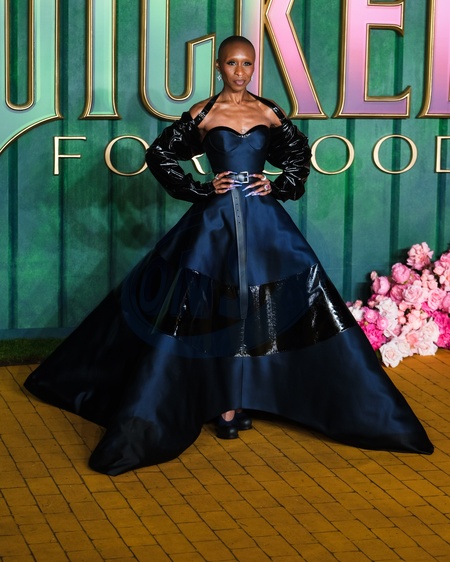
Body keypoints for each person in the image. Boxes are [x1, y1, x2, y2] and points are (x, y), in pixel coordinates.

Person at [24, 36, 433, 476]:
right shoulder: (204, 113)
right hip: (214, 225)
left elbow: (299, 155)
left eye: (247, 64)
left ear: (254, 67)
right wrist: (198, 188)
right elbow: (159, 154)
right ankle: (221, 403)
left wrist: (277, 184)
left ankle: (252, 394)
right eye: (233, 63)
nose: (240, 71)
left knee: (269, 304)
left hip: (263, 223)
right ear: (219, 66)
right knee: (208, 308)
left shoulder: (268, 111)